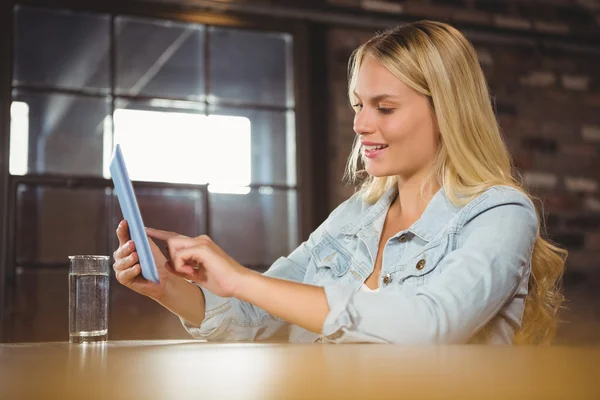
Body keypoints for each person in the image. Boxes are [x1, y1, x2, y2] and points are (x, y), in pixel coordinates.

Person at [112, 20, 566, 344]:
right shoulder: (354, 217)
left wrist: (239, 279)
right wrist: (169, 286)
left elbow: (432, 324)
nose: (361, 125)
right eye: (357, 105)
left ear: (448, 110)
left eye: (384, 108)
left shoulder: (500, 213)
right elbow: (253, 318)